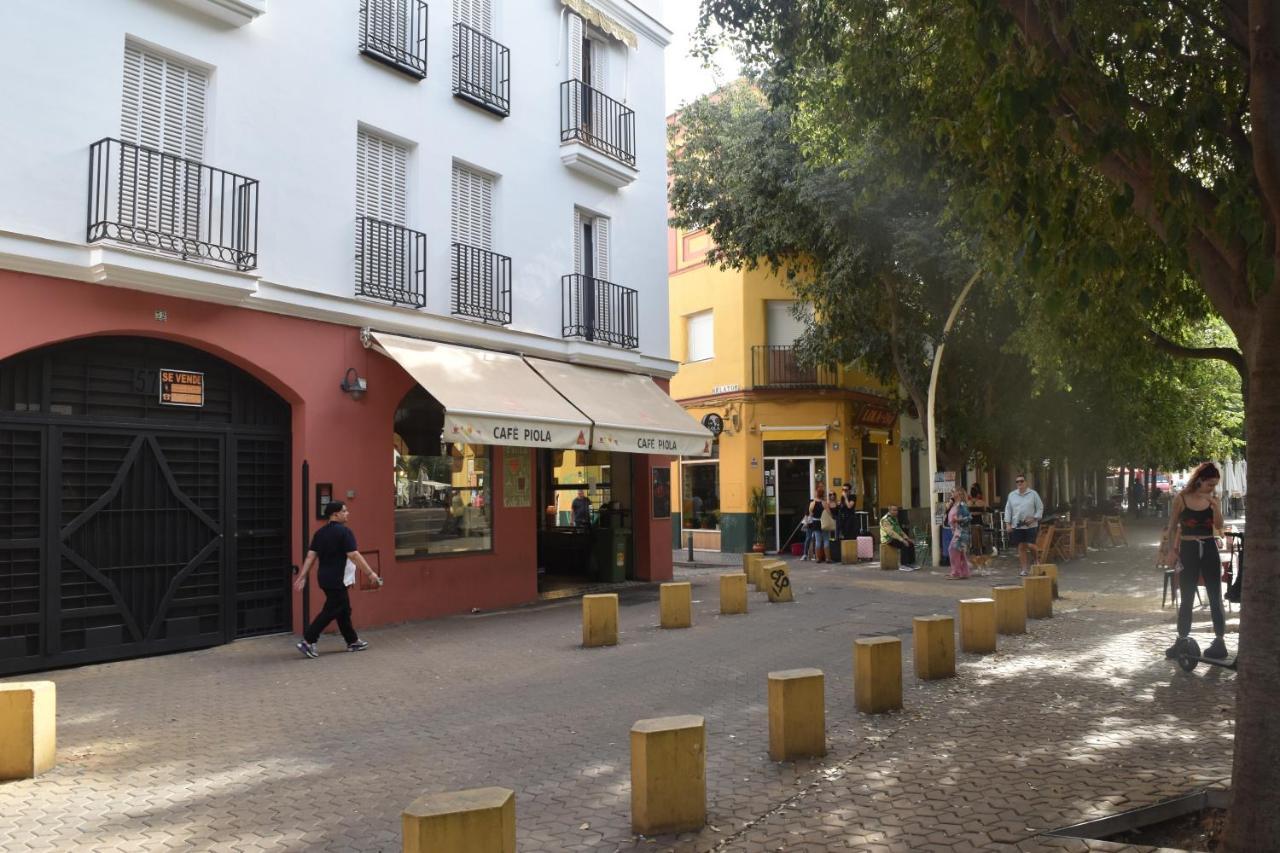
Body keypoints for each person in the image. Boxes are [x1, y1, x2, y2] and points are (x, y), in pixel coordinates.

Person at [293, 501, 383, 658]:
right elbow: (354, 555)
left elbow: (310, 556)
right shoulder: (344, 532)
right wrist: (370, 574)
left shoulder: (319, 533)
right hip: (338, 579)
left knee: (343, 610)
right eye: (344, 511)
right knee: (331, 610)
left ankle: (352, 641)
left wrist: (303, 576)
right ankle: (308, 641)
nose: (347, 513)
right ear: (335, 514)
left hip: (325, 578)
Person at [1164, 463, 1229, 660]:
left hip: (1209, 547)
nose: (1212, 489)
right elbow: (1172, 526)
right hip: (1188, 549)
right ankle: (1182, 638)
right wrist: (1171, 552)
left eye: (1215, 485)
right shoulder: (1181, 498)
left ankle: (1219, 641)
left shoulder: (1213, 500)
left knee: (1215, 595)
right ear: (1199, 480)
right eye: (1210, 484)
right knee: (1187, 595)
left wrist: (1216, 507)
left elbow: (1219, 526)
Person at [1004, 474, 1044, 577]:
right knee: (1021, 547)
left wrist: (1034, 518)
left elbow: (1040, 508)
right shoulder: (1012, 495)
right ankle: (1024, 569)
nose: (1019, 483)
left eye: (1021, 481)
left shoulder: (1033, 494)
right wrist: (1008, 524)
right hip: (1017, 525)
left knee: (1031, 545)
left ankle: (1036, 560)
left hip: (1031, 524)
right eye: (1017, 482)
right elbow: (1008, 510)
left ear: (1026, 482)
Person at [880, 505, 916, 571]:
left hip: (896, 538)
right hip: (888, 539)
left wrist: (907, 538)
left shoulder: (895, 518)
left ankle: (911, 563)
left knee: (910, 543)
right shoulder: (885, 519)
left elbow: (900, 530)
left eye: (896, 510)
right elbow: (891, 533)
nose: (895, 512)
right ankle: (903, 565)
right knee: (904, 544)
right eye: (893, 510)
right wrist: (902, 540)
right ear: (889, 510)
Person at [947, 489, 972, 579]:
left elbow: (969, 517)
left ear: (959, 494)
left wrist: (958, 520)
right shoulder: (955, 505)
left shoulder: (962, 505)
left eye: (953, 491)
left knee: (952, 550)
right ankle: (964, 572)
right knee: (960, 552)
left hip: (961, 532)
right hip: (956, 532)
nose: (951, 493)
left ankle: (956, 573)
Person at [802, 485, 826, 561]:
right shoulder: (811, 502)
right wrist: (806, 522)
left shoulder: (823, 502)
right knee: (809, 538)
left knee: (816, 539)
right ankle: (805, 554)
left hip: (818, 523)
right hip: (811, 522)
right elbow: (807, 513)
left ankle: (816, 555)